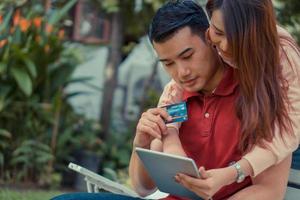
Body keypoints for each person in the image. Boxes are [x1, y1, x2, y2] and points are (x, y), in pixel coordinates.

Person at [130, 0, 295, 200]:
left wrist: (232, 173)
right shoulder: (175, 99)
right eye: (168, 63)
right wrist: (140, 143)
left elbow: (269, 191)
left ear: (210, 39)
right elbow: (143, 188)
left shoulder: (259, 95)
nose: (182, 73)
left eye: (188, 56)